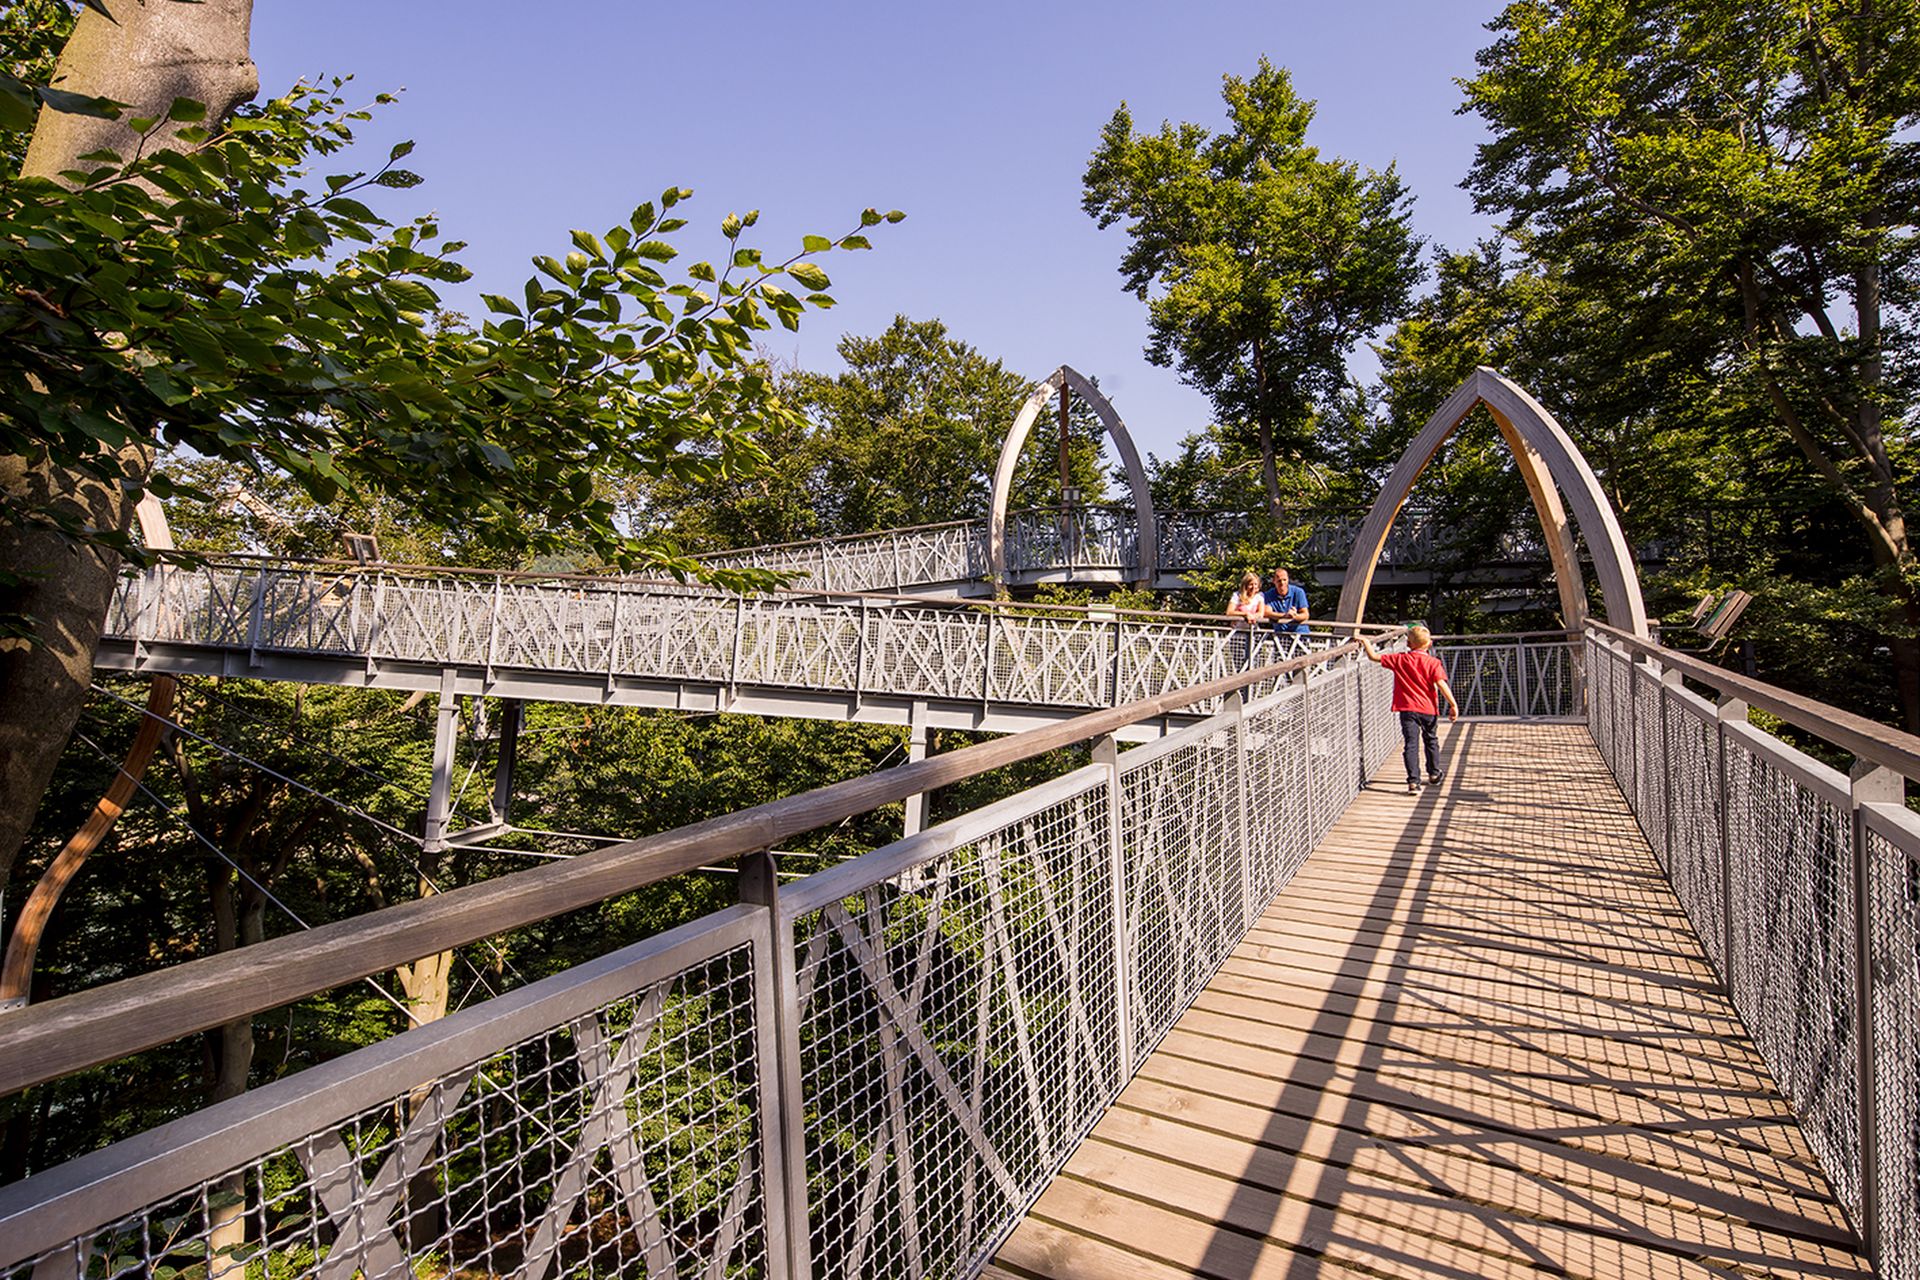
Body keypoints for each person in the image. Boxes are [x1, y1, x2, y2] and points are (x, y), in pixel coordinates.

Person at [1359, 625, 1460, 795]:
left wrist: (1366, 642)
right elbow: (1441, 685)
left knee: (1411, 744)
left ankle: (1413, 782)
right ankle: (1434, 773)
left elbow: (1374, 657)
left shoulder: (1400, 659)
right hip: (1428, 709)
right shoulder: (1433, 663)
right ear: (1429, 644)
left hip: (1407, 709)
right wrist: (1453, 704)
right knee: (1431, 740)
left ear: (1408, 643)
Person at [1263, 567, 1311, 658]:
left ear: (1288, 580)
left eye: (1284, 580)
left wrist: (1294, 616)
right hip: (1281, 635)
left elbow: (1305, 615)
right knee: (1280, 666)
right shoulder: (1269, 594)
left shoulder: (1298, 592)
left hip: (1300, 635)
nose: (1282, 583)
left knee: (1300, 666)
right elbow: (1266, 613)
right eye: (1279, 580)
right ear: (1274, 581)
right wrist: (1285, 616)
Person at [1225, 571, 1268, 668]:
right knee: (1239, 663)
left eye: (1256, 584)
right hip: (1238, 634)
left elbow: (1261, 613)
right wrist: (1245, 614)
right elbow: (1229, 612)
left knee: (1254, 662)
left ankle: (1252, 682)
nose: (1253, 587)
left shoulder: (1259, 596)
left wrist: (1253, 616)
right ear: (1245, 585)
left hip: (1254, 634)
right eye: (1251, 585)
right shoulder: (1237, 596)